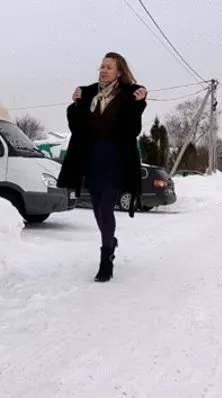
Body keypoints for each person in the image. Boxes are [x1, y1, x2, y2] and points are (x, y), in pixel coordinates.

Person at [56, 52, 148, 282]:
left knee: (106, 206)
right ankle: (111, 240)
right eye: (102, 66)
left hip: (116, 159)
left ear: (119, 71)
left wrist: (139, 102)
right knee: (97, 208)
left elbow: (133, 130)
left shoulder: (129, 94)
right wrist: (76, 103)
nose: (103, 70)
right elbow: (76, 126)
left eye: (109, 67)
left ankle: (105, 258)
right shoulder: (88, 93)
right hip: (92, 158)